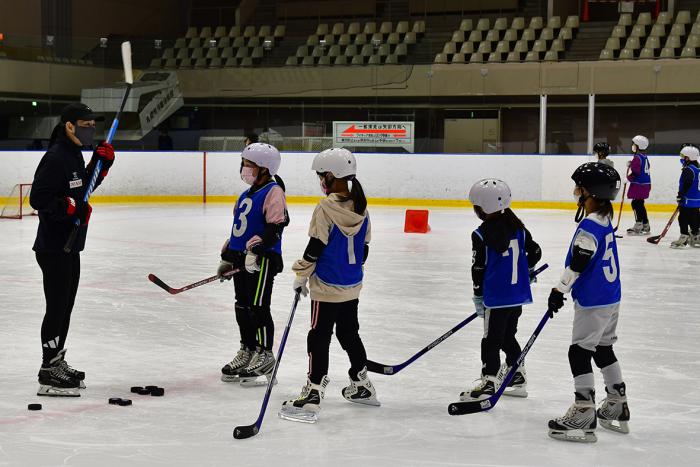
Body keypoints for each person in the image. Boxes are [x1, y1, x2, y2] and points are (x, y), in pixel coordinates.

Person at [279, 148, 378, 423]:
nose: (320, 180)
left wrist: (301, 275)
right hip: (352, 284)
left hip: (326, 286)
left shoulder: (325, 208)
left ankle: (313, 391)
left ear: (331, 176)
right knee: (349, 334)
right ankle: (361, 383)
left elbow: (315, 246)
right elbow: (365, 249)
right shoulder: (361, 207)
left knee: (318, 336)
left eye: (321, 176)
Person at [29, 103, 115, 397]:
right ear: (68, 125)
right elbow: (38, 198)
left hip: (70, 245)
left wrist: (100, 167)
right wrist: (66, 208)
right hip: (54, 246)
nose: (90, 129)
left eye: (93, 124)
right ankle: (48, 370)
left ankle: (57, 361)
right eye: (84, 124)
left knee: (65, 306)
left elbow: (81, 190)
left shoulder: (75, 154)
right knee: (56, 307)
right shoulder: (56, 157)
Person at [547, 162, 630, 443]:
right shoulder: (605, 220)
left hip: (594, 300)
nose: (575, 193)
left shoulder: (588, 226)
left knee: (579, 352)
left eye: (579, 189)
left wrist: (559, 290)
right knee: (603, 348)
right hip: (611, 296)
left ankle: (584, 410)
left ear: (589, 193)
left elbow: (579, 262)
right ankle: (617, 403)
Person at [460, 179, 542, 402]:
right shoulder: (518, 228)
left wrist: (478, 295)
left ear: (482, 207)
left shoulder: (480, 234)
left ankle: (489, 380)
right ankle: (516, 375)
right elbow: (535, 252)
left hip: (496, 299)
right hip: (517, 295)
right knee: (507, 336)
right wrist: (528, 271)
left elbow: (478, 268)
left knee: (491, 340)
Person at [217, 142, 289, 386]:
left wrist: (258, 249)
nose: (244, 168)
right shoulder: (246, 194)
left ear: (265, 169)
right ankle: (247, 349)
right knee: (243, 306)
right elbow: (240, 227)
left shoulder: (273, 191)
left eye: (249, 165)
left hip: (261, 259)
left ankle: (265, 354)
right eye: (244, 164)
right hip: (241, 257)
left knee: (258, 306)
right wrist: (229, 254)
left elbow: (276, 225)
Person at [671, 145, 700, 248]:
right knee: (695, 218)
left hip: (688, 200)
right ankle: (696, 236)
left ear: (688, 157)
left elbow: (687, 183)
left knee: (682, 218)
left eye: (683, 156)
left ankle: (684, 237)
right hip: (696, 200)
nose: (682, 158)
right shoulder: (697, 168)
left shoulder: (688, 169)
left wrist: (680, 195)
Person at [626, 135, 651, 235]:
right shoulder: (644, 157)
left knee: (635, 204)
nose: (632, 146)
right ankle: (646, 224)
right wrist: (631, 164)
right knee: (640, 204)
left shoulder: (637, 157)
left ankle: (638, 225)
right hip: (645, 185)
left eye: (634, 144)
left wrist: (627, 178)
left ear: (638, 146)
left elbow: (636, 172)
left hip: (639, 185)